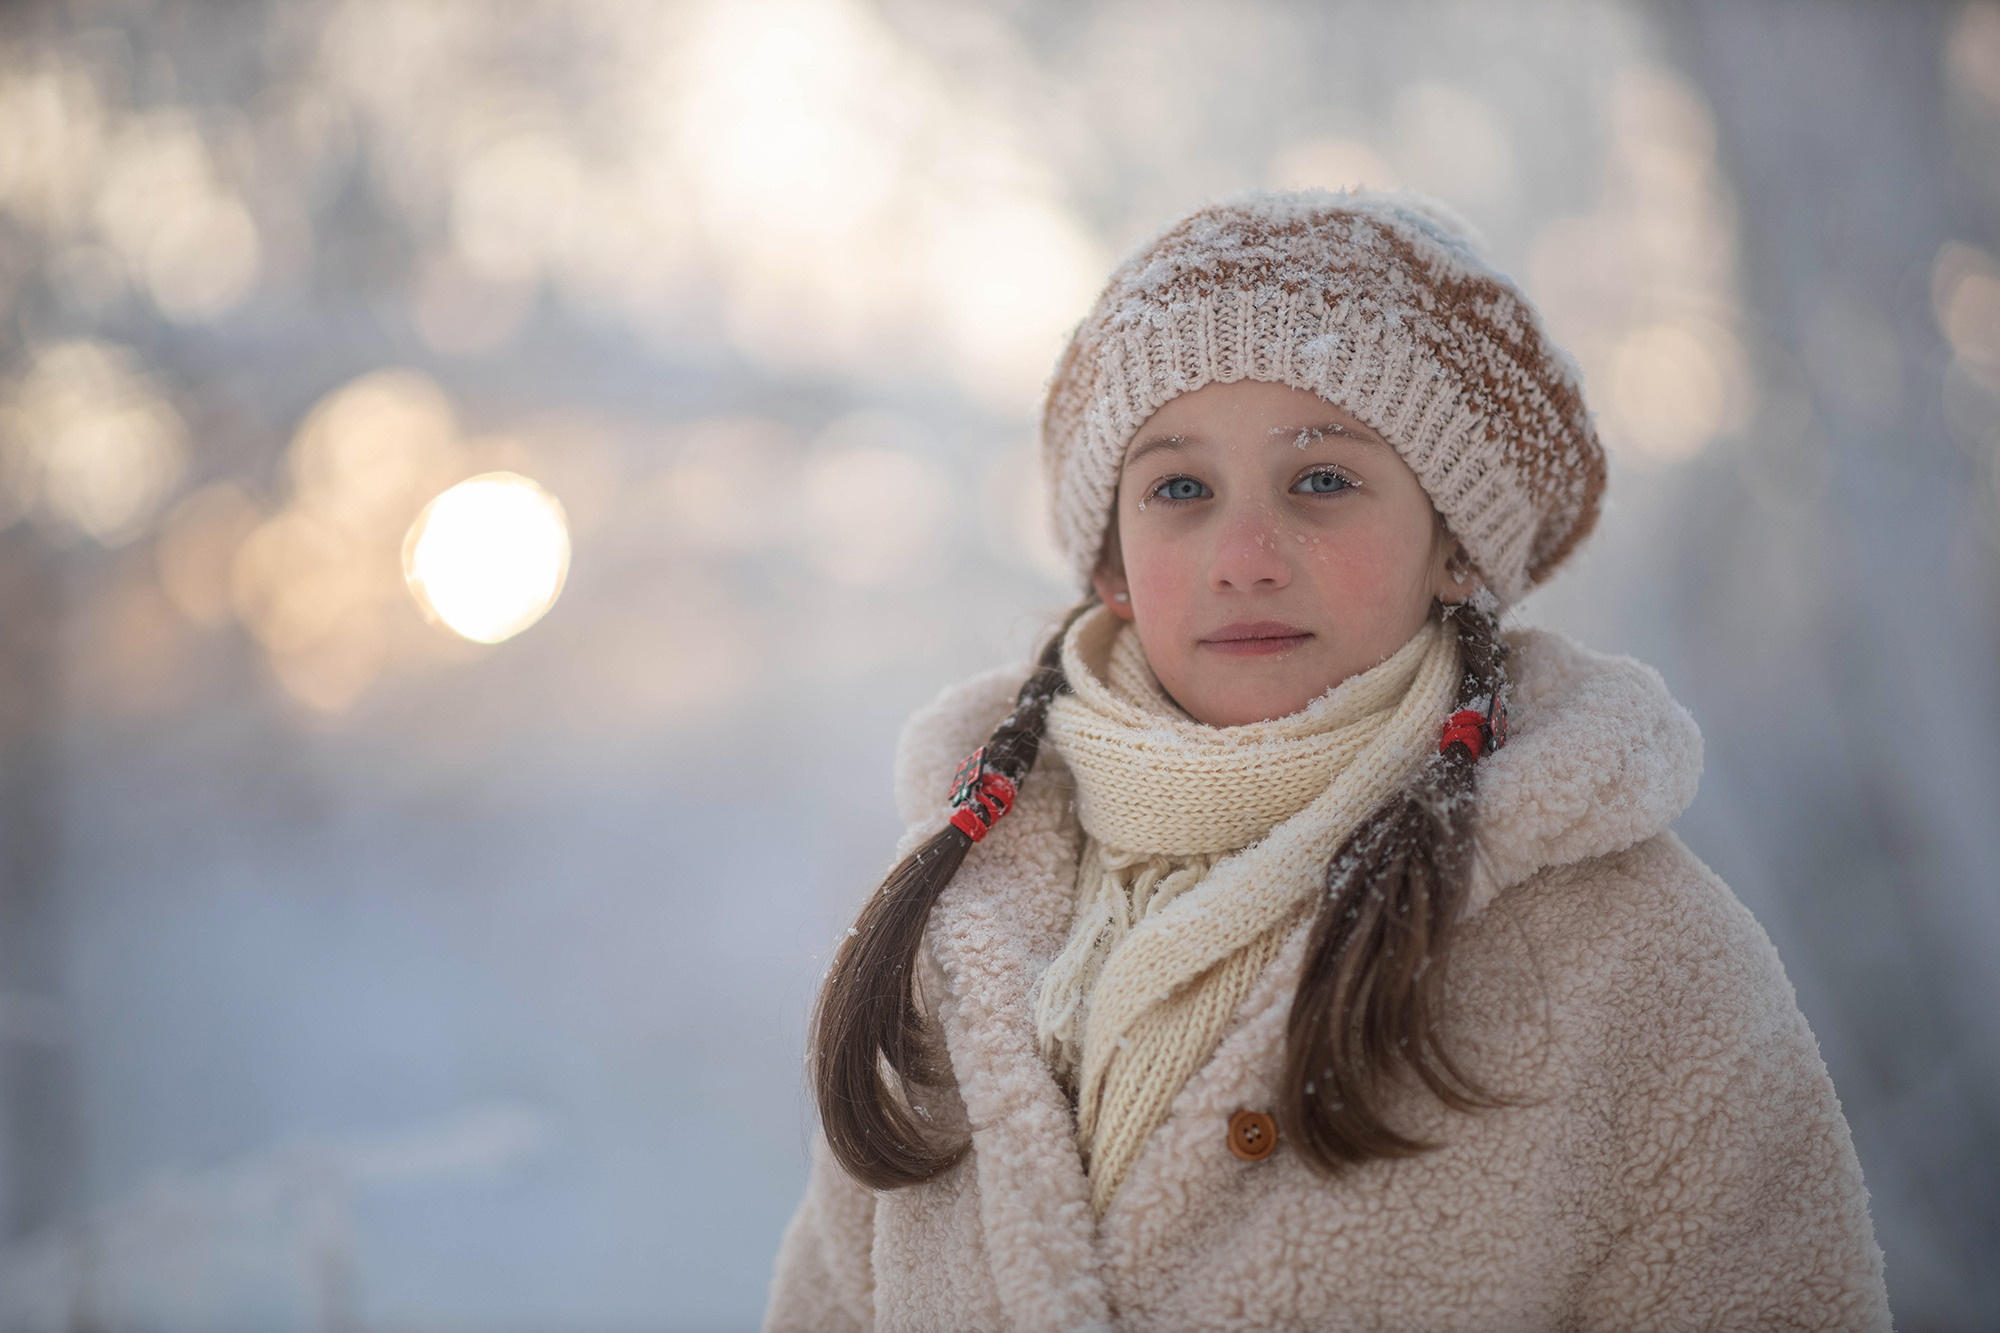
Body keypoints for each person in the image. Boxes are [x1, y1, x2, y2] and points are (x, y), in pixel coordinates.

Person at [763, 190, 1890, 1331]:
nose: (1245, 557)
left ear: (1454, 546)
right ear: (1111, 563)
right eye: (1180, 489)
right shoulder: (958, 915)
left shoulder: (1635, 957)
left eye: (1321, 480)